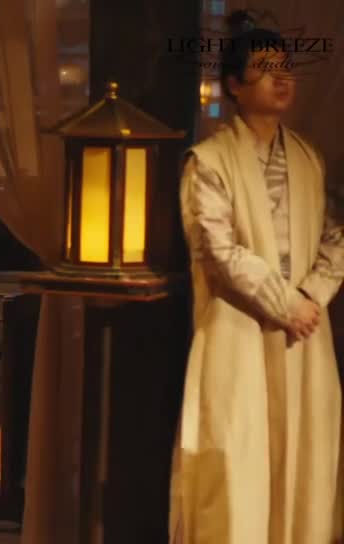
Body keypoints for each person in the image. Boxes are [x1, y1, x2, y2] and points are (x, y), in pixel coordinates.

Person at [170, 10, 343, 543]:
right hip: (239, 326)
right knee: (236, 461)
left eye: (285, 67)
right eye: (266, 69)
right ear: (234, 85)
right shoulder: (209, 161)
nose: (281, 78)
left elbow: (335, 238)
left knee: (304, 460)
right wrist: (284, 303)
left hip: (304, 333)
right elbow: (218, 250)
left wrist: (310, 296)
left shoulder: (308, 159)